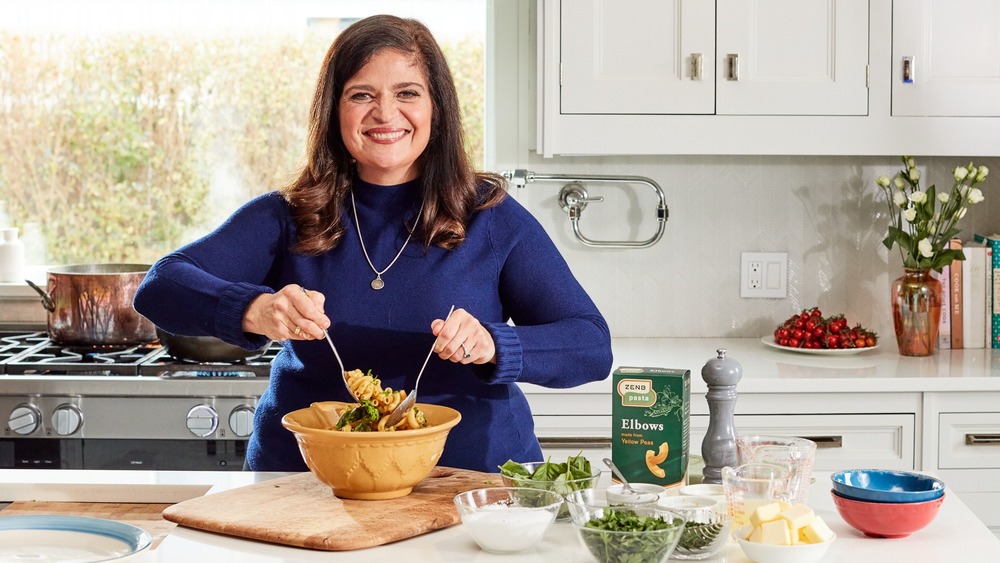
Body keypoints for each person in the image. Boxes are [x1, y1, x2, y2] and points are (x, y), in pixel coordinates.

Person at [133, 14, 612, 473]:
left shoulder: (490, 215)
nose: (386, 113)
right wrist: (254, 309)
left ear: (436, 109)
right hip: (304, 484)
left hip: (469, 485)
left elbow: (591, 346)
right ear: (333, 111)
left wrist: (494, 343)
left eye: (408, 93)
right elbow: (160, 286)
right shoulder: (286, 215)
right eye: (361, 94)